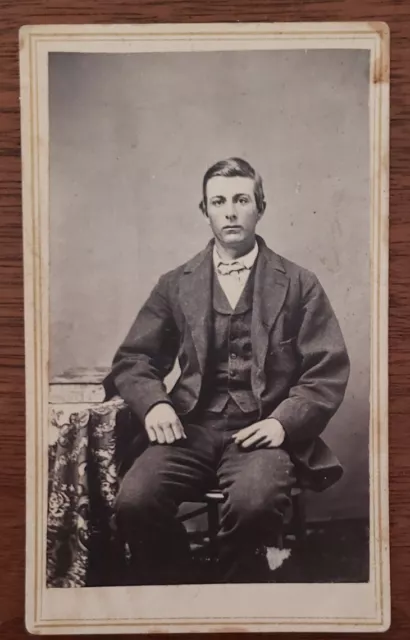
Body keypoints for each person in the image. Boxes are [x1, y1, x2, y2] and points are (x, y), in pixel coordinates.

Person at [104, 157, 350, 584]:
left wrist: (282, 423)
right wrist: (154, 405)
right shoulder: (175, 283)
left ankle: (239, 599)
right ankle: (181, 591)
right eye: (219, 201)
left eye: (241, 199)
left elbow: (325, 370)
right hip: (190, 428)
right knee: (135, 501)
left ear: (260, 206)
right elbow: (134, 359)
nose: (231, 211)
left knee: (255, 505)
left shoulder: (298, 282)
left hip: (261, 432)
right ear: (205, 210)